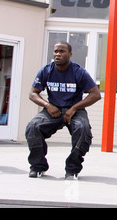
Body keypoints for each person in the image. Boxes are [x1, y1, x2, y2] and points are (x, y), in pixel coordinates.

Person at [25, 41, 101, 180]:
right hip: (53, 109)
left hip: (75, 110)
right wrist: (48, 105)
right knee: (32, 127)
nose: (58, 54)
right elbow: (32, 93)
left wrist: (74, 108)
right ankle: (37, 166)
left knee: (83, 129)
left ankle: (72, 169)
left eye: (62, 51)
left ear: (70, 54)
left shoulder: (79, 72)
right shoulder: (46, 70)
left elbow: (95, 94)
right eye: (56, 51)